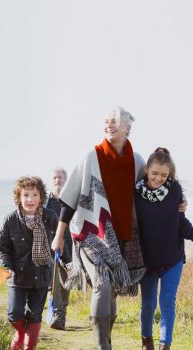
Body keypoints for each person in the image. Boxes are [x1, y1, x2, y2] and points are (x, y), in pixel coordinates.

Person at [51, 106, 148, 350]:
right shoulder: (91, 157)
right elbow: (70, 199)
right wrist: (59, 236)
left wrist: (179, 200)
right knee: (103, 284)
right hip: (90, 234)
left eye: (114, 121)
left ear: (128, 127)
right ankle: (102, 347)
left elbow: (153, 191)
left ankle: (106, 340)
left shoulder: (137, 161)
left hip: (122, 237)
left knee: (112, 290)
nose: (108, 125)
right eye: (105, 121)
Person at [135, 148, 193, 350]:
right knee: (149, 305)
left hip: (172, 258)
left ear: (170, 174)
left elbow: (181, 223)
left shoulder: (175, 191)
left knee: (167, 301)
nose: (158, 178)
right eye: (154, 173)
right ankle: (146, 340)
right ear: (146, 171)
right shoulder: (135, 194)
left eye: (163, 175)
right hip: (147, 260)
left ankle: (165, 344)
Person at [0, 176, 57, 350]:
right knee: (14, 313)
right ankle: (19, 336)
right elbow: (1, 249)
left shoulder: (50, 217)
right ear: (19, 197)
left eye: (35, 194)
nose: (30, 199)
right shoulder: (10, 220)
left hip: (41, 275)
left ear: (41, 197)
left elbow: (61, 242)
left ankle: (29, 347)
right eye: (26, 195)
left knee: (35, 315)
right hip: (18, 276)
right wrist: (7, 267)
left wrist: (68, 262)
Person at [45, 166, 73, 330]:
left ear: (65, 180)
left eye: (60, 178)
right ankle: (57, 316)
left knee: (66, 283)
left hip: (70, 250)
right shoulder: (45, 202)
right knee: (53, 282)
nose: (57, 180)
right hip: (50, 249)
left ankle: (61, 312)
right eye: (54, 178)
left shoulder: (70, 201)